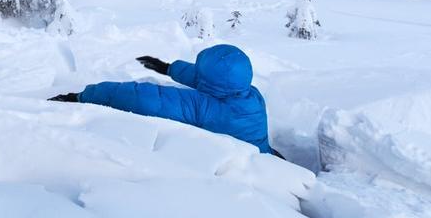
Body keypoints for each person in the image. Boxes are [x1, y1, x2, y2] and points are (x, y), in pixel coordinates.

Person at [49, 43, 280, 157]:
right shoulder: (251, 93)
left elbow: (142, 98)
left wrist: (83, 96)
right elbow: (209, 80)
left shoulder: (203, 106)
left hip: (245, 172)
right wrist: (169, 68)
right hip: (267, 155)